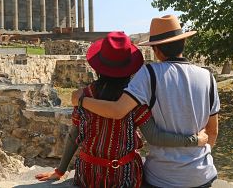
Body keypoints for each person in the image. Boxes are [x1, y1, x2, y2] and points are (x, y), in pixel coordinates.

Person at [35, 31, 208, 187]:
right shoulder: (134, 100)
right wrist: (194, 140)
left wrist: (60, 170)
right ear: (130, 67)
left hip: (88, 175)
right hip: (124, 177)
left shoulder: (84, 96)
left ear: (98, 66)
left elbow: (74, 134)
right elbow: (154, 136)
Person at [71, 16, 220, 188]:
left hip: (162, 178)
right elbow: (213, 132)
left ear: (156, 50)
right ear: (183, 43)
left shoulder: (149, 74)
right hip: (202, 175)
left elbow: (118, 110)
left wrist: (80, 100)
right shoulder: (208, 77)